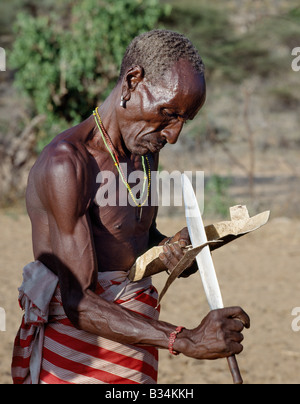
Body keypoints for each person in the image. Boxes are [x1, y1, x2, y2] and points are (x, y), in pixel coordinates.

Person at [11, 29, 250, 384]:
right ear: (132, 81)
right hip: (80, 356)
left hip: (137, 346)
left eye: (185, 120)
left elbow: (133, 240)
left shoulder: (145, 152)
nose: (174, 135)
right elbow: (79, 302)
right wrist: (184, 339)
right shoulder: (68, 164)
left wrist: (175, 250)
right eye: (168, 113)